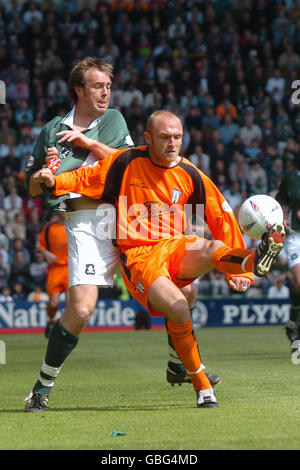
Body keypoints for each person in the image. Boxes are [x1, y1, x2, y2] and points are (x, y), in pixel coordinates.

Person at [32, 110, 285, 410]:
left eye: (177, 137)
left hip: (176, 246)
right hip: (140, 255)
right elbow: (84, 178)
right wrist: (53, 179)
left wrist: (234, 277)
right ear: (148, 138)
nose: (173, 143)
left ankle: (251, 262)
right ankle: (201, 385)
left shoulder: (190, 172)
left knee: (212, 247)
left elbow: (221, 214)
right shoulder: (125, 163)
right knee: (181, 303)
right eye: (165, 138)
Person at [276, 167, 300, 354]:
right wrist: (282, 217)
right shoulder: (291, 178)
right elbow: (282, 201)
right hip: (295, 238)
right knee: (299, 283)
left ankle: (295, 329)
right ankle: (294, 316)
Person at [36, 211, 69, 338]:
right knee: (53, 303)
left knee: (70, 302)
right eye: (62, 208)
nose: (64, 211)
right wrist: (46, 253)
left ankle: (65, 331)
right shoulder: (50, 227)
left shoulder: (75, 225)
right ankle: (51, 321)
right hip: (55, 269)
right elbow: (39, 245)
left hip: (71, 268)